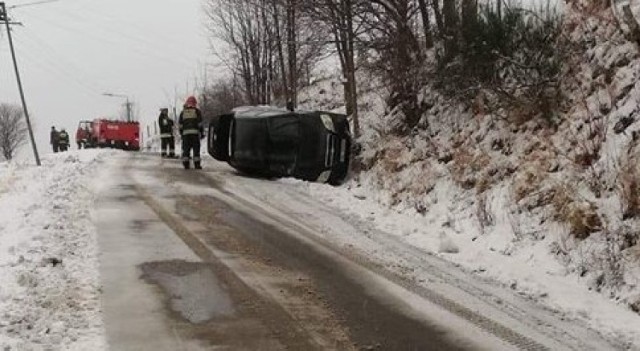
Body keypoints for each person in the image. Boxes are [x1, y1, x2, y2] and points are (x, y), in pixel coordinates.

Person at [178, 96, 204, 169]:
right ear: (194, 103)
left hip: (186, 135)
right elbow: (200, 124)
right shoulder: (197, 111)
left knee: (186, 149)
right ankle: (197, 164)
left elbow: (180, 125)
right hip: (195, 134)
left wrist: (181, 133)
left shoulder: (183, 113)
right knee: (196, 149)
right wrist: (201, 133)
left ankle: (186, 164)